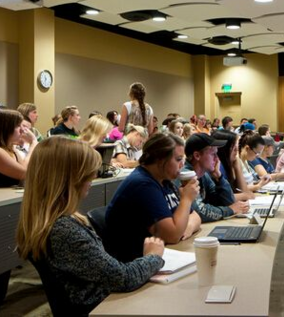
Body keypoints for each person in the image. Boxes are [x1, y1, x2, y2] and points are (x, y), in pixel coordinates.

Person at [16, 137, 164, 315]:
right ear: (69, 178)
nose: (93, 178)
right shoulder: (63, 230)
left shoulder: (52, 223)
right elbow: (123, 278)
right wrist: (153, 256)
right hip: (101, 307)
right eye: (88, 173)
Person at [105, 133, 201, 262]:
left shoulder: (164, 180)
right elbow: (172, 235)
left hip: (162, 255)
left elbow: (195, 217)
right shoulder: (143, 185)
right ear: (160, 160)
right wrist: (187, 199)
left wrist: (185, 228)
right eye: (178, 159)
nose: (182, 165)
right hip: (136, 264)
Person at [180, 133, 249, 222]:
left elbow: (228, 201)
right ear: (197, 156)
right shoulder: (185, 176)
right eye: (213, 154)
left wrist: (219, 177)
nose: (217, 159)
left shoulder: (204, 175)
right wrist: (230, 210)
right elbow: (200, 211)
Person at [212, 130, 254, 201]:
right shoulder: (218, 166)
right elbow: (221, 198)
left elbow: (243, 190)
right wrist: (244, 196)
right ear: (223, 148)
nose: (236, 149)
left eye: (236, 145)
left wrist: (238, 168)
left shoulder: (229, 164)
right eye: (233, 146)